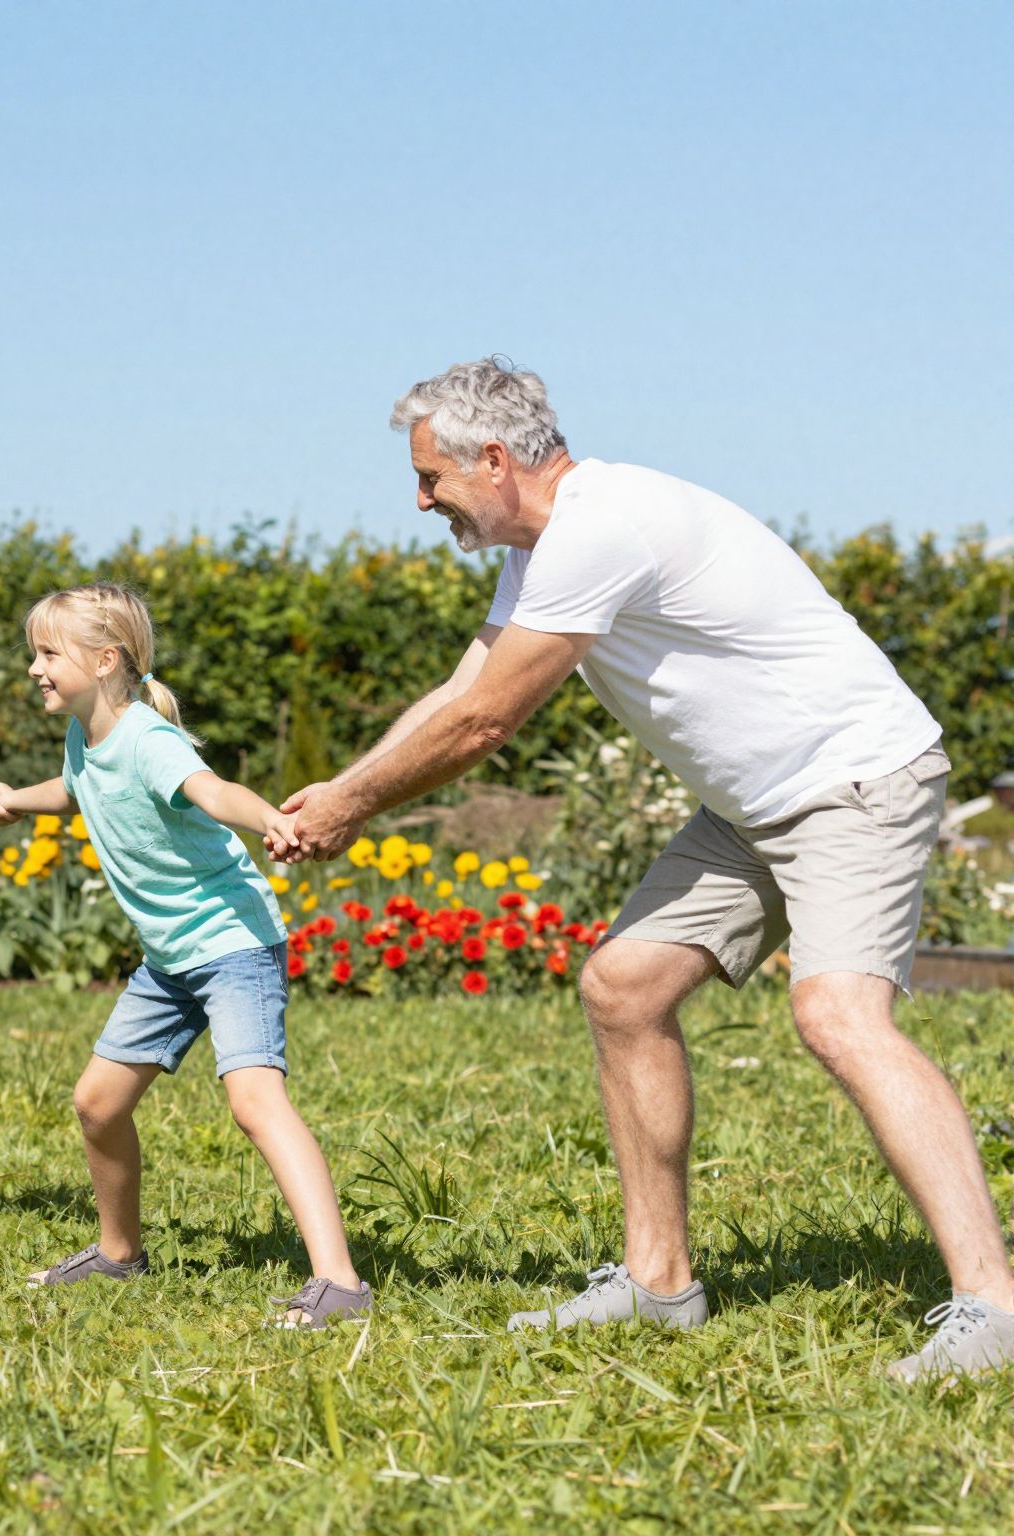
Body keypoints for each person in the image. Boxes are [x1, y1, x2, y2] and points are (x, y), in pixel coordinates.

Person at [282, 358, 1012, 1378]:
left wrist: (349, 809)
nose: (419, 501)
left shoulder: (601, 525)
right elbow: (462, 686)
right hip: (756, 804)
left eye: (429, 478)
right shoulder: (540, 550)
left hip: (850, 780)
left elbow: (488, 720)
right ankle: (657, 1282)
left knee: (837, 1014)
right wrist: (339, 792)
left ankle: (992, 1302)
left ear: (492, 460)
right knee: (623, 986)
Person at [0, 583, 370, 1329]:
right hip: (170, 959)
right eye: (33, 652)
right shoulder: (84, 738)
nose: (34, 667)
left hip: (231, 945)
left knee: (255, 1103)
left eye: (47, 653)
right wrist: (9, 798)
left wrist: (268, 820)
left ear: (103, 661)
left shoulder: (148, 740)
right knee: (97, 1104)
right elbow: (75, 790)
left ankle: (340, 1283)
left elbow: (212, 790)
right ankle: (118, 1254)